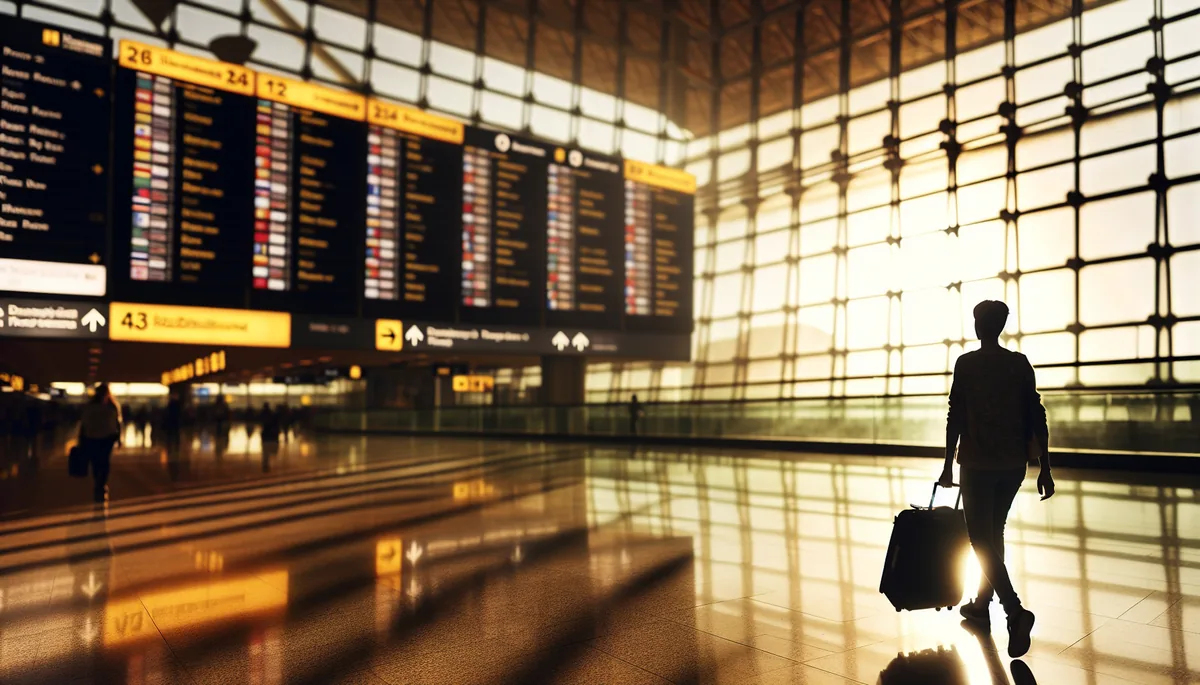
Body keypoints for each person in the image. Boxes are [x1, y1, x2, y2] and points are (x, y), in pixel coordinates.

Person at [940, 300, 1054, 659]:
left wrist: (946, 464)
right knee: (994, 533)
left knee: (980, 539)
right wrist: (1046, 467)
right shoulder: (1018, 364)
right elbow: (1036, 413)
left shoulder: (967, 364)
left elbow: (955, 415)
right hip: (1012, 464)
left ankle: (1014, 611)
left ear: (978, 327)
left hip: (976, 463)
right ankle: (980, 605)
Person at [79, 383, 122, 503]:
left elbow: (84, 423)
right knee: (103, 461)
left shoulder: (91, 406)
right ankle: (101, 483)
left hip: (94, 437)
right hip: (105, 437)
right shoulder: (112, 406)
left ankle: (99, 482)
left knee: (97, 461)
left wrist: (82, 438)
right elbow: (118, 424)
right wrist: (118, 438)